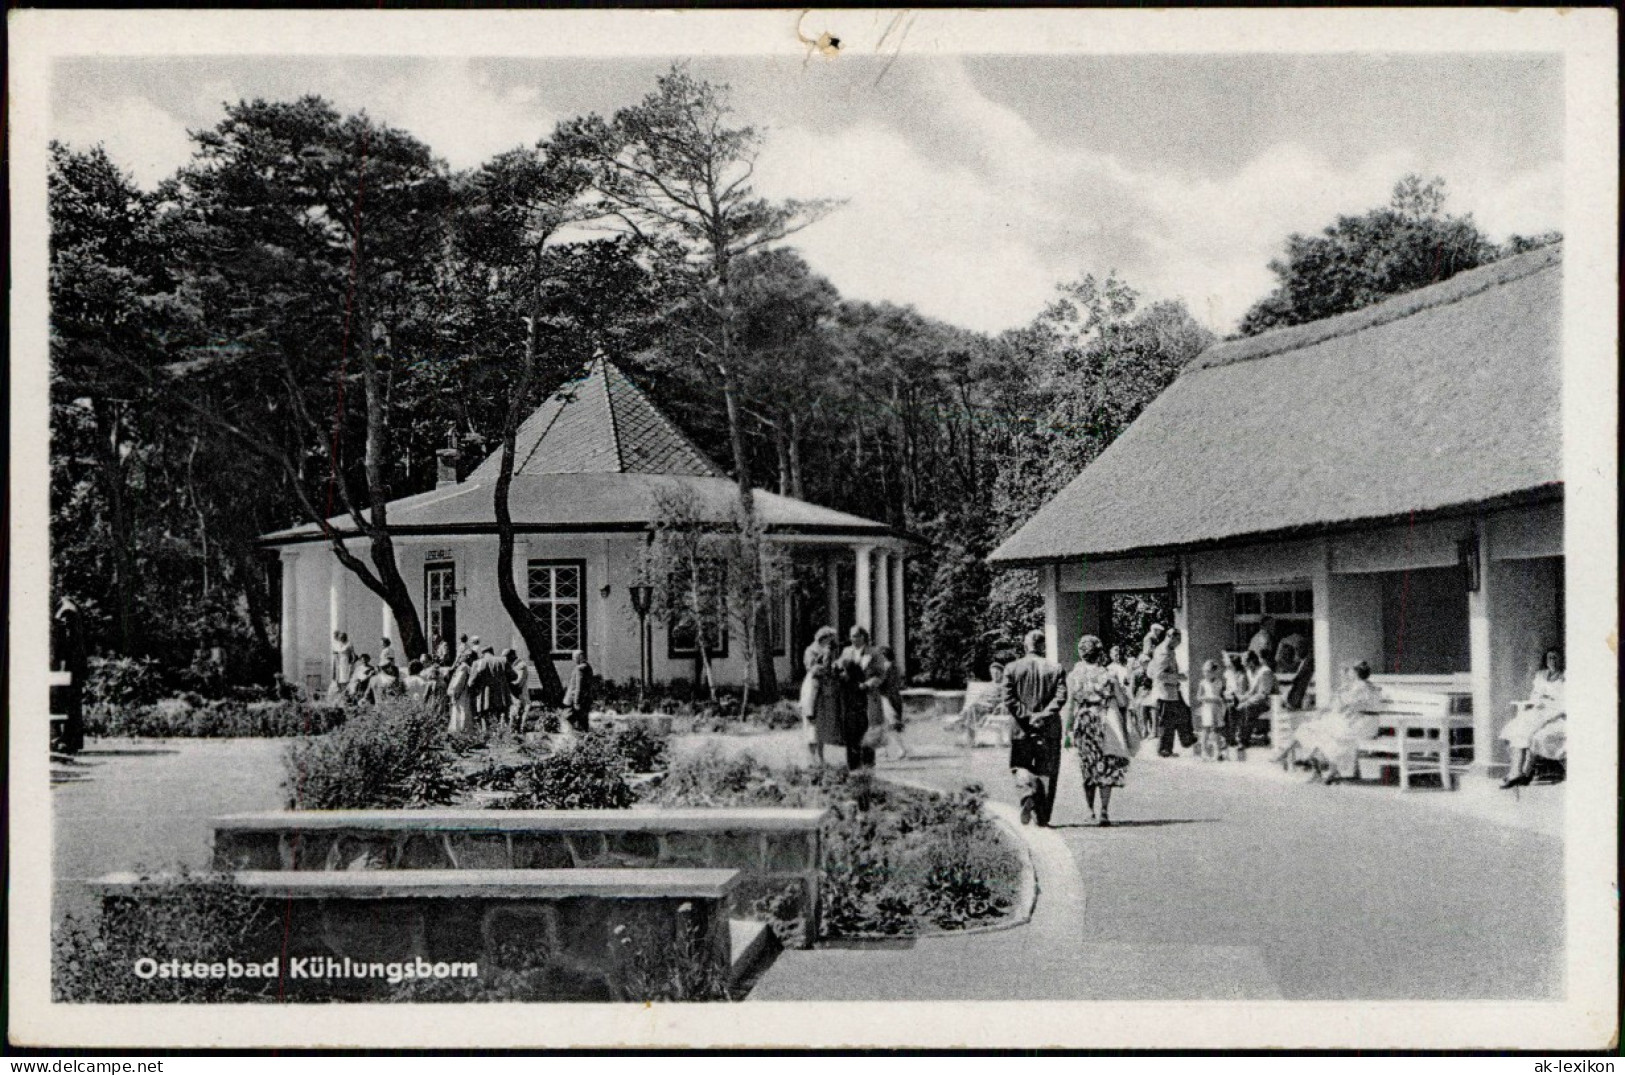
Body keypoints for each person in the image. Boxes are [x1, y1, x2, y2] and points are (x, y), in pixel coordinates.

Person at [1065, 635, 1137, 826]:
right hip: (1105, 721)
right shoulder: (1110, 675)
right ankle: (1104, 811)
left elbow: (1070, 704)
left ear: (1081, 654)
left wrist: (1067, 730)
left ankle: (1090, 811)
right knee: (1106, 766)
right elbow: (1123, 701)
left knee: (1087, 767)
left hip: (1084, 722)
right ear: (1100, 654)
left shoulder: (1074, 676)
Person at [1003, 629, 1068, 826]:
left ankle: (1026, 793)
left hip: (1021, 729)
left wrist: (1027, 716)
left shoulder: (1012, 668)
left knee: (1020, 765)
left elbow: (1008, 698)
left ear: (1025, 646)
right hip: (1048, 729)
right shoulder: (1055, 668)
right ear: (1043, 647)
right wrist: (1043, 715)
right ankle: (1043, 817)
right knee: (1047, 771)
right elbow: (1061, 697)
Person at [1289, 661, 1384, 783]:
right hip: (1366, 724)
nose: (1348, 674)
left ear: (1355, 673)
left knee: (1325, 734)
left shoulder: (1359, 687)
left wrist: (1339, 692)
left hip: (1361, 725)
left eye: (1350, 671)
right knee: (1324, 732)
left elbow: (1343, 705)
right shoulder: (1368, 686)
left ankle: (1319, 764)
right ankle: (1320, 765)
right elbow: (1351, 707)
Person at [1499, 648, 1565, 789]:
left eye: (1555, 658)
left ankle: (1522, 773)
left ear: (1561, 660)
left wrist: (1550, 707)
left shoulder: (1566, 676)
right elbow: (1534, 695)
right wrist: (1535, 702)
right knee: (1513, 729)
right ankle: (1517, 772)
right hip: (1539, 708)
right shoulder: (1541, 675)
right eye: (1550, 658)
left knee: (1529, 733)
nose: (1552, 661)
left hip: (1555, 711)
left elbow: (1565, 701)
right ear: (1545, 660)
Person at [837, 627, 890, 772]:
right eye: (852, 636)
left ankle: (868, 764)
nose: (854, 639)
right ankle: (853, 765)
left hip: (867, 695)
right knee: (851, 730)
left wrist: (868, 684)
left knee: (867, 729)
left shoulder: (874, 652)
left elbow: (881, 675)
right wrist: (842, 676)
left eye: (857, 636)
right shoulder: (846, 652)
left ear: (864, 637)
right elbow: (840, 668)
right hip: (850, 695)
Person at [800, 626, 844, 768]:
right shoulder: (811, 651)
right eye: (830, 640)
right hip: (814, 688)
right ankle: (812, 758)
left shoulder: (830, 651)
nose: (831, 644)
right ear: (823, 638)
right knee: (812, 721)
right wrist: (826, 659)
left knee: (822, 724)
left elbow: (831, 668)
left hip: (826, 690)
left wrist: (836, 667)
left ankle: (821, 756)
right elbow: (814, 669)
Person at [1151, 628, 1195, 757]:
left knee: (1183, 713)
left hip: (1172, 691)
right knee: (1167, 721)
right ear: (1170, 637)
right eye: (1177, 641)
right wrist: (1178, 677)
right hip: (1165, 692)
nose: (1178, 643)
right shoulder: (1163, 652)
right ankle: (1164, 749)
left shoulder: (1169, 650)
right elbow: (1159, 675)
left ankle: (1186, 740)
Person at [950, 660, 1008, 749]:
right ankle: (968, 737)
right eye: (992, 673)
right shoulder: (989, 685)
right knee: (972, 709)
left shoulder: (1004, 685)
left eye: (997, 673)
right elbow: (980, 697)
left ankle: (965, 732)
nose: (995, 675)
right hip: (981, 706)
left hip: (992, 708)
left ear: (1001, 673)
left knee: (972, 709)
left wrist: (1000, 704)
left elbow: (1005, 699)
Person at [1230, 650, 1276, 758]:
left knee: (1246, 708)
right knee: (1235, 708)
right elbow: (1251, 691)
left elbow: (1264, 694)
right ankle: (1236, 738)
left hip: (1269, 702)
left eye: (1245, 665)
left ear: (1251, 662)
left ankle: (1244, 740)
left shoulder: (1265, 672)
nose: (1245, 667)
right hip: (1257, 701)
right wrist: (1243, 698)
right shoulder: (1252, 672)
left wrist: (1247, 701)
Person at [878, 644, 909, 761]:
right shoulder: (896, 667)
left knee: (890, 725)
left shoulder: (885, 667)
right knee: (887, 726)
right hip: (896, 697)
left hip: (886, 698)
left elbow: (880, 683)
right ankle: (884, 751)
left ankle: (900, 749)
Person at [469, 645, 511, 732]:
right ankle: (501, 735)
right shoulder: (503, 661)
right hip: (501, 694)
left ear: (483, 653)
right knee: (501, 715)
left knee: (484, 715)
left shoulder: (478, 662)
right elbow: (514, 676)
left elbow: (471, 682)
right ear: (492, 652)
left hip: (485, 694)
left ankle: (486, 735)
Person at [1195, 659, 1227, 761]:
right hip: (1207, 708)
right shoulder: (1203, 683)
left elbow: (1222, 695)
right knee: (1206, 729)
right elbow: (1199, 697)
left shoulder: (1219, 682)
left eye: (1208, 672)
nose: (1206, 674)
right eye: (1204, 671)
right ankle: (1204, 752)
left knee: (1216, 729)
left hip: (1216, 707)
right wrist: (1206, 698)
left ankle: (1218, 752)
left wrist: (1219, 700)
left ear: (1214, 672)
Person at [562, 650, 596, 734]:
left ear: (580, 657)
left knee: (567, 718)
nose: (574, 660)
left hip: (575, 700)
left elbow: (579, 686)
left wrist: (576, 702)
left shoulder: (580, 668)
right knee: (583, 721)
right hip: (585, 699)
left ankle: (573, 738)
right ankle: (585, 739)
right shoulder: (588, 667)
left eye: (575, 657)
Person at [446, 651, 476, 734]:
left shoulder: (463, 667)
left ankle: (460, 732)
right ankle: (463, 732)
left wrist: (455, 693)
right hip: (463, 693)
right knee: (462, 712)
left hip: (461, 693)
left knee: (460, 712)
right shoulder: (466, 667)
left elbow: (459, 682)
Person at [506, 650, 531, 732]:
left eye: (507, 657)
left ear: (512, 655)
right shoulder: (512, 664)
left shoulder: (521, 665)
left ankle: (521, 730)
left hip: (520, 694)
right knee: (514, 713)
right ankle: (514, 731)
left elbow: (518, 682)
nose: (506, 659)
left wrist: (507, 684)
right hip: (514, 695)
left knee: (521, 711)